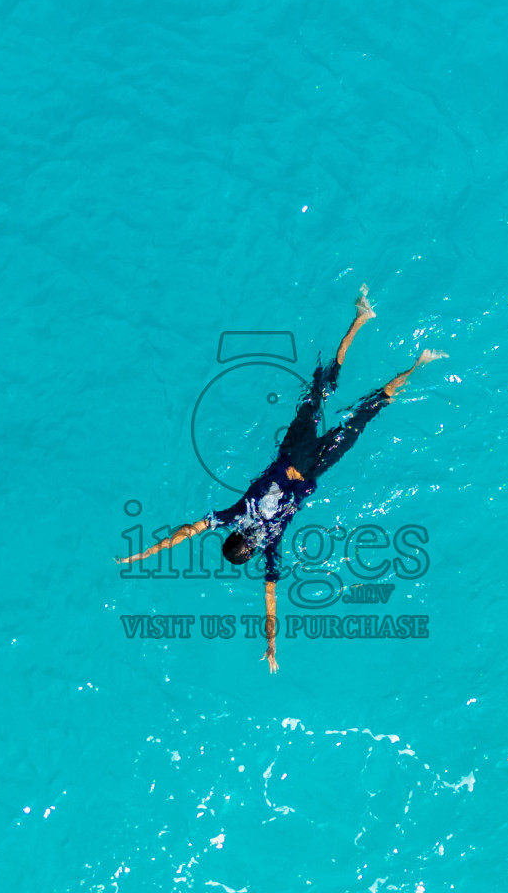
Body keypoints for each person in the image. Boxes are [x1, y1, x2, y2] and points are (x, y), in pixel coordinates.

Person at [116, 286, 446, 673]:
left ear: (250, 550)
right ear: (234, 538)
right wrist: (144, 553)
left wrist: (272, 645)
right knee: (320, 391)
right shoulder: (235, 516)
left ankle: (419, 362)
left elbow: (270, 599)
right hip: (293, 450)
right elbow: (189, 530)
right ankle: (360, 318)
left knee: (366, 412)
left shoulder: (270, 544)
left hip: (313, 468)